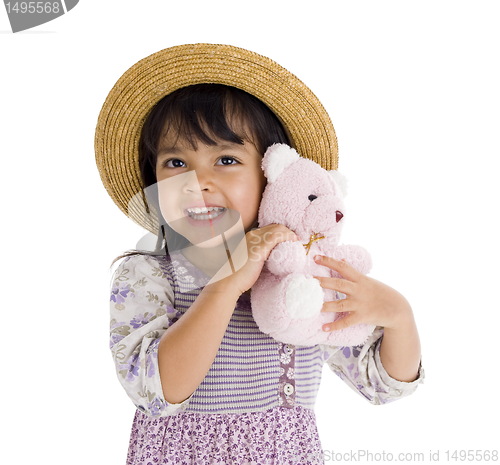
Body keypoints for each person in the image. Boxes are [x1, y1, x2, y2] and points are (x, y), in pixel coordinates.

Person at [96, 43, 424, 465]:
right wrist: (226, 285)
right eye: (175, 163)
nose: (198, 181)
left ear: (271, 179)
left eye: (227, 158)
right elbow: (158, 392)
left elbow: (382, 383)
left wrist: (399, 315)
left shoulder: (300, 279)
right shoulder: (148, 275)